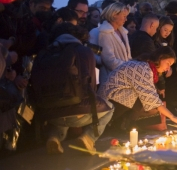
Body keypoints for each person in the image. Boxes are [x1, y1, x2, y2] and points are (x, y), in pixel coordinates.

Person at [30, 23, 114, 154]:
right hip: (78, 110)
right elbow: (90, 85)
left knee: (60, 103)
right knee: (109, 108)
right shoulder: (84, 51)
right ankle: (88, 138)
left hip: (48, 113)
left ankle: (54, 137)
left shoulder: (43, 54)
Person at [99, 46, 177, 129]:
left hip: (115, 96)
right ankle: (116, 124)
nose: (168, 68)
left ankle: (123, 124)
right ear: (160, 57)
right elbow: (150, 98)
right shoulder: (143, 69)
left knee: (147, 99)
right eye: (168, 63)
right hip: (108, 98)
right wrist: (173, 117)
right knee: (144, 99)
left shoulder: (146, 66)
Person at [95, 2, 132, 84]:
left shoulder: (123, 32)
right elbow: (109, 60)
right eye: (124, 16)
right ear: (114, 14)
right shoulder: (105, 33)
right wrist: (129, 68)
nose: (126, 19)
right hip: (112, 80)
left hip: (125, 78)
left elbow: (128, 55)